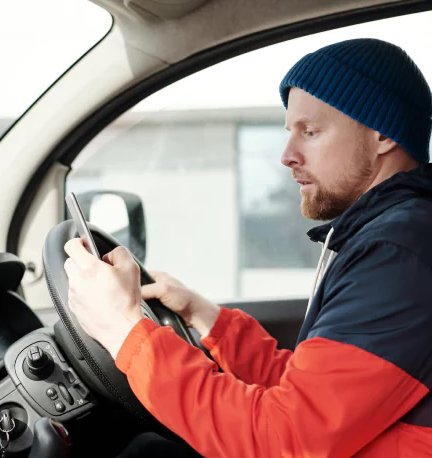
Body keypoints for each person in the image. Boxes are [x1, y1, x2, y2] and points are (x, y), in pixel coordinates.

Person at [63, 38, 432, 457]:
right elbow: (312, 392)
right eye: (290, 133)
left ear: (382, 133)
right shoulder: (389, 234)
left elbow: (285, 438)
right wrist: (204, 315)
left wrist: (123, 329)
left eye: (310, 132)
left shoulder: (399, 253)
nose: (287, 156)